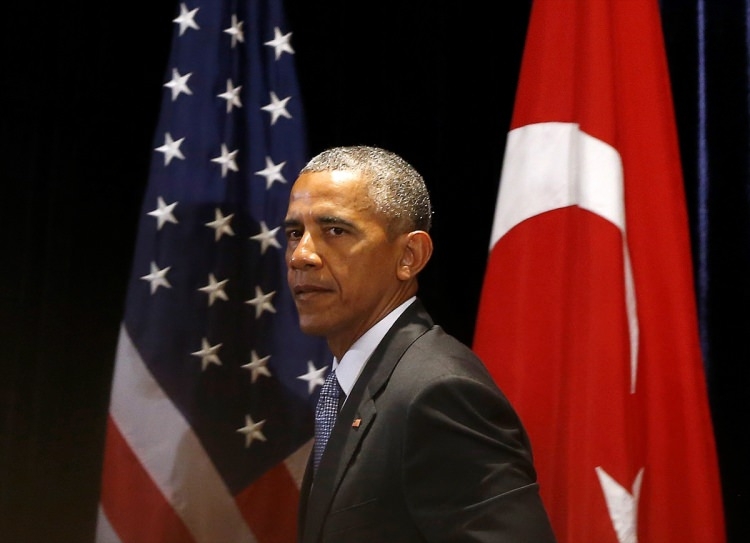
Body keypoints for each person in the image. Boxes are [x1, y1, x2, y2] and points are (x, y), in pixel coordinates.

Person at [283, 145, 557, 543]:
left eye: (335, 231)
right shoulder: (360, 381)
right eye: (295, 233)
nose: (301, 255)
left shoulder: (438, 392)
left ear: (410, 256)